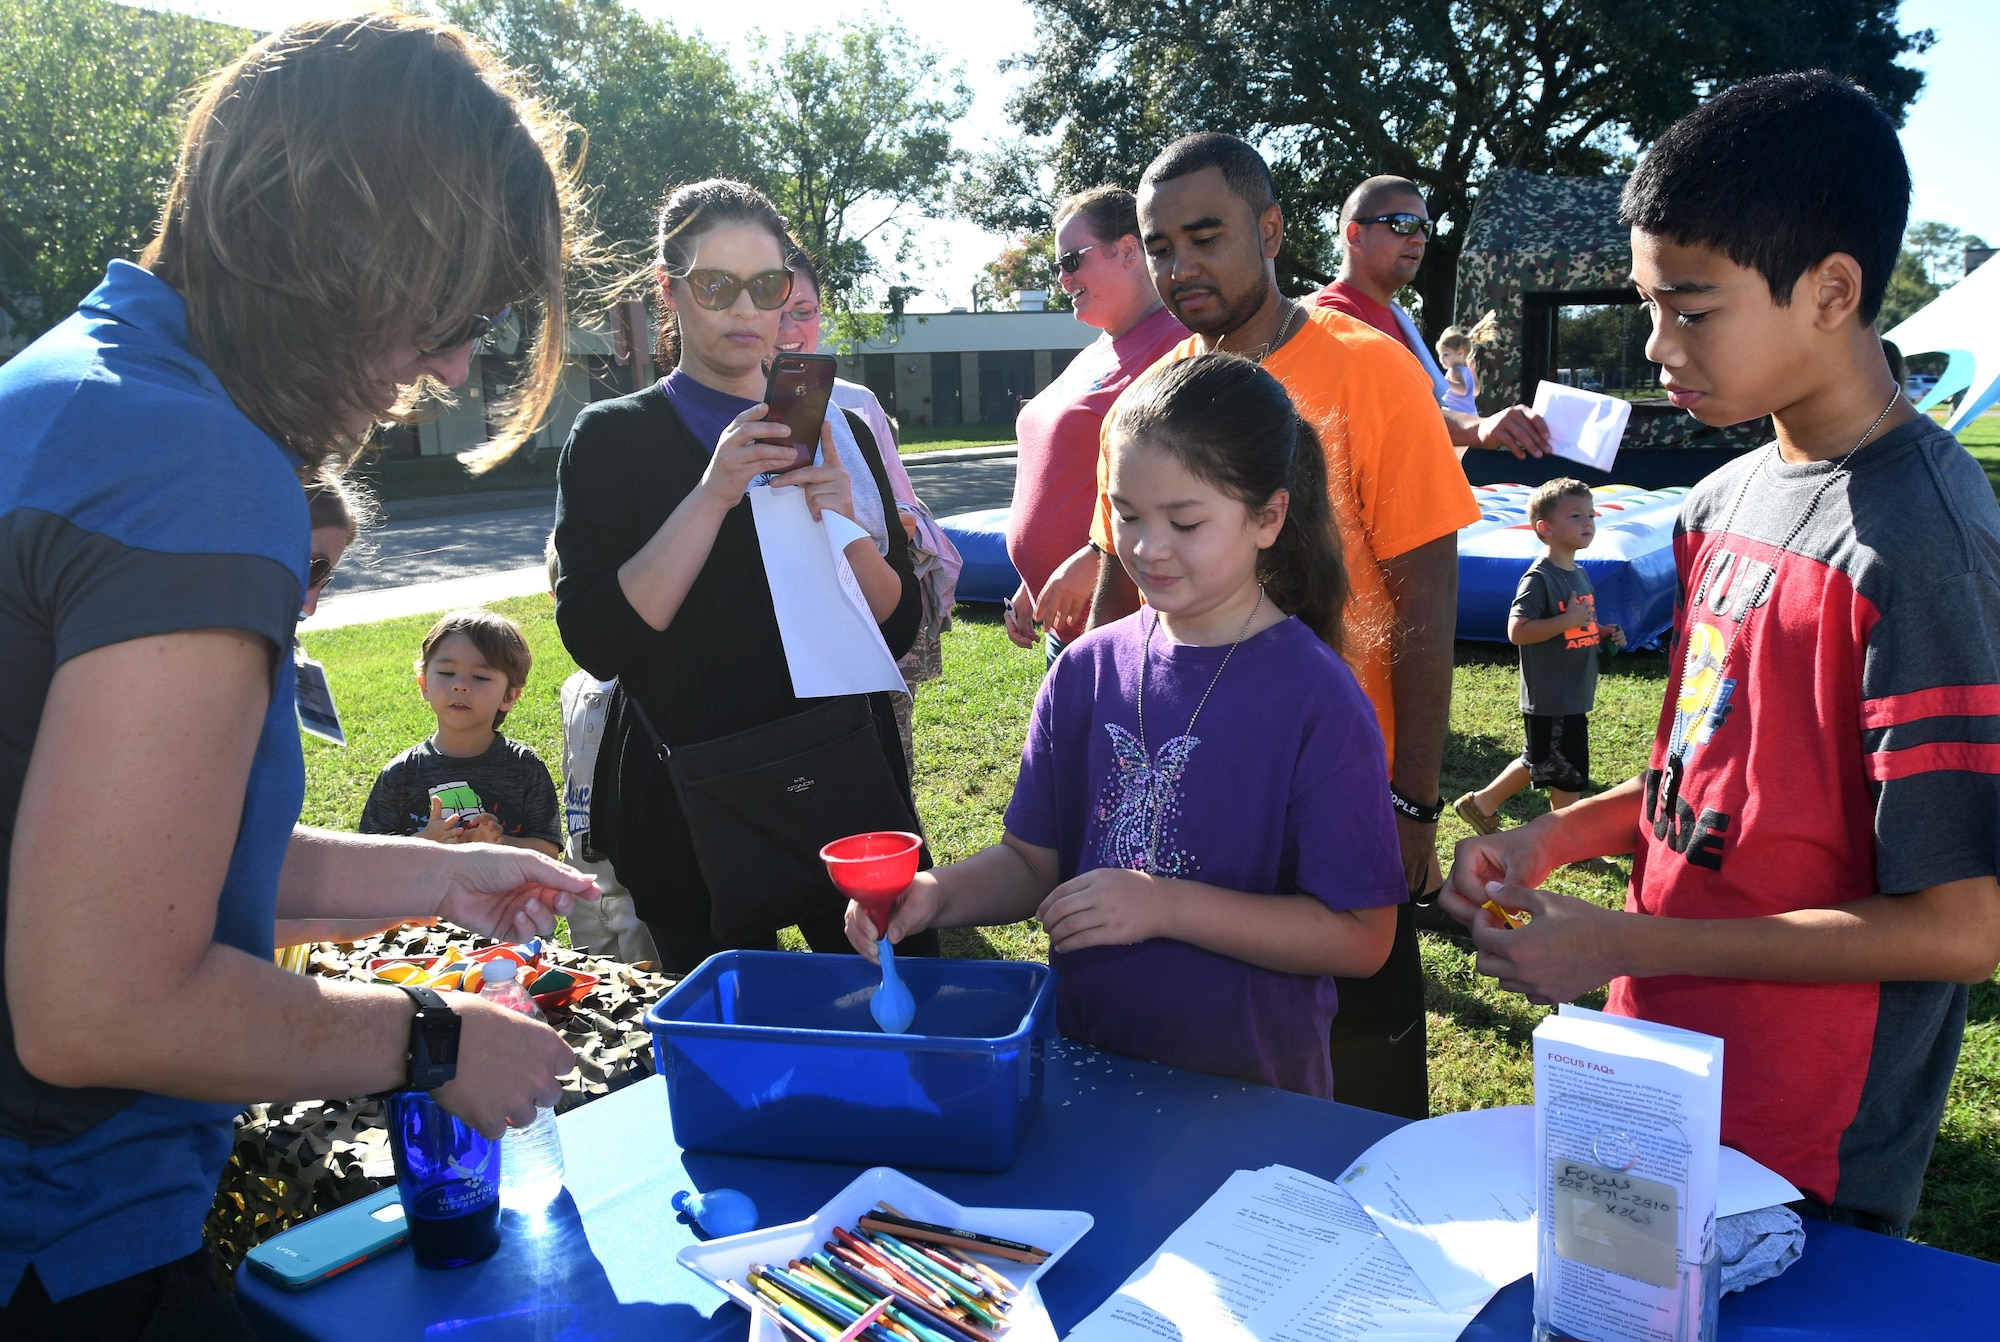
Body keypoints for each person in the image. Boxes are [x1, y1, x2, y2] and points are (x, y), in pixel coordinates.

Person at [0, 14, 597, 1335]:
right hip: (56, 1242)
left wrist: (440, 873)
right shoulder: (192, 466)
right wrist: (434, 1037)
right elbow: (95, 1003)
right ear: (345, 247)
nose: (450, 366)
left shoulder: (67, 390)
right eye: (453, 312)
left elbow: (149, 857)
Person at [1442, 73, 2000, 1237]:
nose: (1654, 346)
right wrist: (1553, 836)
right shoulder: (1716, 501)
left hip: (1804, 1150)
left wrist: (1618, 939)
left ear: (1830, 291)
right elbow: (1690, 786)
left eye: (1689, 309)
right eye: (1649, 305)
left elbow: (1958, 928)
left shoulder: (1920, 549)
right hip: (1647, 1070)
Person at [848, 353, 1401, 1096]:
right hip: (1089, 1072)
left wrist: (1163, 905)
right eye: (1128, 515)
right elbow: (1030, 863)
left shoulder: (1318, 700)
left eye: (1186, 520)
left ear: (1268, 517)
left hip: (1250, 1102)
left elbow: (1363, 936)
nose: (1147, 547)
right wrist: (935, 895)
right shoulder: (1084, 672)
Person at [1084, 133, 1478, 1118]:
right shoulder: (1141, 403)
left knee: (1363, 1113)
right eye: (1159, 245)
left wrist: (1413, 803)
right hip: (1187, 822)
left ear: (1267, 230)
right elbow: (1115, 603)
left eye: (1204, 236)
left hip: (1339, 810)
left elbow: (1425, 601)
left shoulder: (1370, 372)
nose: (1180, 267)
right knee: (1200, 1101)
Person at [553, 178, 933, 970]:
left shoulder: (834, 424)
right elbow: (599, 639)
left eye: (765, 286)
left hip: (843, 778)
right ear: (670, 290)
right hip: (687, 796)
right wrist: (714, 492)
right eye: (713, 285)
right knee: (737, 1052)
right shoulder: (612, 439)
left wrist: (848, 528)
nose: (742, 309)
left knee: (898, 1011)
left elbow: (896, 627)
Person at [775, 245, 962, 773]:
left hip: (868, 638)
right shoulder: (718, 417)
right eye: (776, 308)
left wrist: (869, 522)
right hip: (781, 674)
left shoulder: (854, 406)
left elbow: (900, 504)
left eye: (805, 311)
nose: (791, 327)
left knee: (882, 787)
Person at [1004, 187, 1187, 665]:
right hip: (1067, 629)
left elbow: (1184, 491)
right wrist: (1032, 582)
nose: (1063, 278)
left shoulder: (1179, 348)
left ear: (1128, 250)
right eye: (1058, 266)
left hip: (1129, 628)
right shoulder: (1095, 351)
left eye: (1072, 260)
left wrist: (1094, 559)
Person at [1312, 175, 1551, 459]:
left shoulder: (1396, 316)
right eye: (1403, 224)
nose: (1419, 239)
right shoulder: (1332, 314)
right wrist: (1479, 428)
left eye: (1425, 228)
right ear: (1355, 235)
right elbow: (1386, 417)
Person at [1454, 479, 1626, 833]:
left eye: (1591, 514)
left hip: (1571, 690)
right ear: (1544, 528)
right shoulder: (1539, 578)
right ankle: (1565, 839)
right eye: (1576, 515)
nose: (1588, 522)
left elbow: (1574, 627)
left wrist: (1599, 632)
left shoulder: (1578, 573)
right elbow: (1517, 631)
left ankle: (1481, 804)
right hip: (1552, 692)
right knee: (1567, 774)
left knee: (1542, 761)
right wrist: (1568, 620)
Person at [359, 609, 564, 857]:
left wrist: (496, 843)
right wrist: (424, 843)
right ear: (424, 684)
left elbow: (548, 852)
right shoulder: (400, 775)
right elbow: (370, 857)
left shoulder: (525, 769)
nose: (460, 685)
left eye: (479, 676)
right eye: (446, 673)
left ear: (509, 696)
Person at [545, 537, 660, 966]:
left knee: (649, 971)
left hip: (635, 872)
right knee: (596, 973)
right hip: (583, 866)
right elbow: (572, 768)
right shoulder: (572, 688)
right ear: (558, 601)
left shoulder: (645, 682)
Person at [1436, 327, 1480, 418]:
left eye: (1446, 354)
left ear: (1460, 353)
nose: (1441, 359)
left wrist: (1444, 382)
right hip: (1472, 415)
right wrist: (1473, 370)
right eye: (1440, 355)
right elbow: (1476, 391)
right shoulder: (1467, 370)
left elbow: (1463, 390)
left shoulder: (1454, 370)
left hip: (1456, 415)